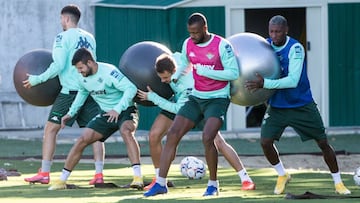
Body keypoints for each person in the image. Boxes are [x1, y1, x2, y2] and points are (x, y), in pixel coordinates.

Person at [244, 15, 351, 195]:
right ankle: (282, 174)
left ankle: (338, 182)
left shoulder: (295, 48)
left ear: (286, 30)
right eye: (271, 31)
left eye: (278, 31)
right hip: (277, 106)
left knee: (323, 143)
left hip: (301, 105)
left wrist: (265, 84)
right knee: (265, 141)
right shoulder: (265, 47)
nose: (274, 35)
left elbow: (292, 80)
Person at [144, 13, 239, 197]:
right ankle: (161, 183)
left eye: (196, 32)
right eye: (190, 32)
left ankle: (213, 185)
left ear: (205, 28)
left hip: (217, 98)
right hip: (196, 97)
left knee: (208, 137)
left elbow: (233, 73)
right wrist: (177, 74)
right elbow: (186, 62)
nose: (193, 36)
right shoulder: (188, 43)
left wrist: (208, 72)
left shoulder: (222, 45)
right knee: (172, 134)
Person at [138, 53, 255, 191]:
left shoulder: (188, 83)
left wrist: (153, 97)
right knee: (154, 135)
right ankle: (159, 180)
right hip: (180, 101)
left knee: (218, 142)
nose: (163, 81)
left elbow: (178, 109)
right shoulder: (175, 58)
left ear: (174, 72)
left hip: (198, 104)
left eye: (166, 78)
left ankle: (245, 179)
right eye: (161, 78)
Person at [23, 4, 105, 185]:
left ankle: (44, 173)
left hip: (70, 92)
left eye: (61, 19)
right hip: (90, 90)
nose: (61, 22)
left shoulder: (61, 37)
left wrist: (37, 79)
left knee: (51, 130)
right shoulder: (90, 37)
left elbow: (58, 65)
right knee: (97, 132)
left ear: (66, 19)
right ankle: (99, 175)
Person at [47, 48, 142, 190]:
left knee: (126, 131)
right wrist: (70, 113)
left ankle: (137, 178)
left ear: (90, 62)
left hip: (125, 109)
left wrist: (117, 109)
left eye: (81, 68)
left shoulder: (109, 72)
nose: (80, 71)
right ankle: (62, 181)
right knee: (82, 140)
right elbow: (82, 92)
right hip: (105, 113)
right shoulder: (82, 76)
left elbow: (131, 89)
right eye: (78, 69)